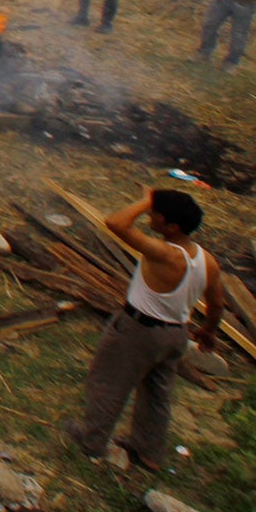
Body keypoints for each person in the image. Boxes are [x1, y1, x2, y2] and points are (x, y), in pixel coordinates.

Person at [64, 188, 223, 472]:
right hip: (176, 335)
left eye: (156, 215)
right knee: (158, 394)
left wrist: (146, 201)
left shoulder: (165, 253)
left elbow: (115, 223)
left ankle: (92, 442)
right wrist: (209, 331)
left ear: (172, 226)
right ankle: (148, 452)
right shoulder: (206, 261)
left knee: (108, 384)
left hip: (139, 330)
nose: (151, 216)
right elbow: (217, 303)